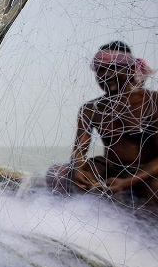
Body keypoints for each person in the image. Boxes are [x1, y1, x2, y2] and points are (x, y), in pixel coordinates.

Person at [46, 41, 158, 209]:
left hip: (146, 171)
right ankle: (65, 219)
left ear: (129, 70)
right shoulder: (91, 109)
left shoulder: (152, 101)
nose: (105, 75)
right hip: (109, 166)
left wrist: (127, 182)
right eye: (99, 70)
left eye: (112, 68)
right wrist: (78, 171)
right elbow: (79, 151)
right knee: (57, 174)